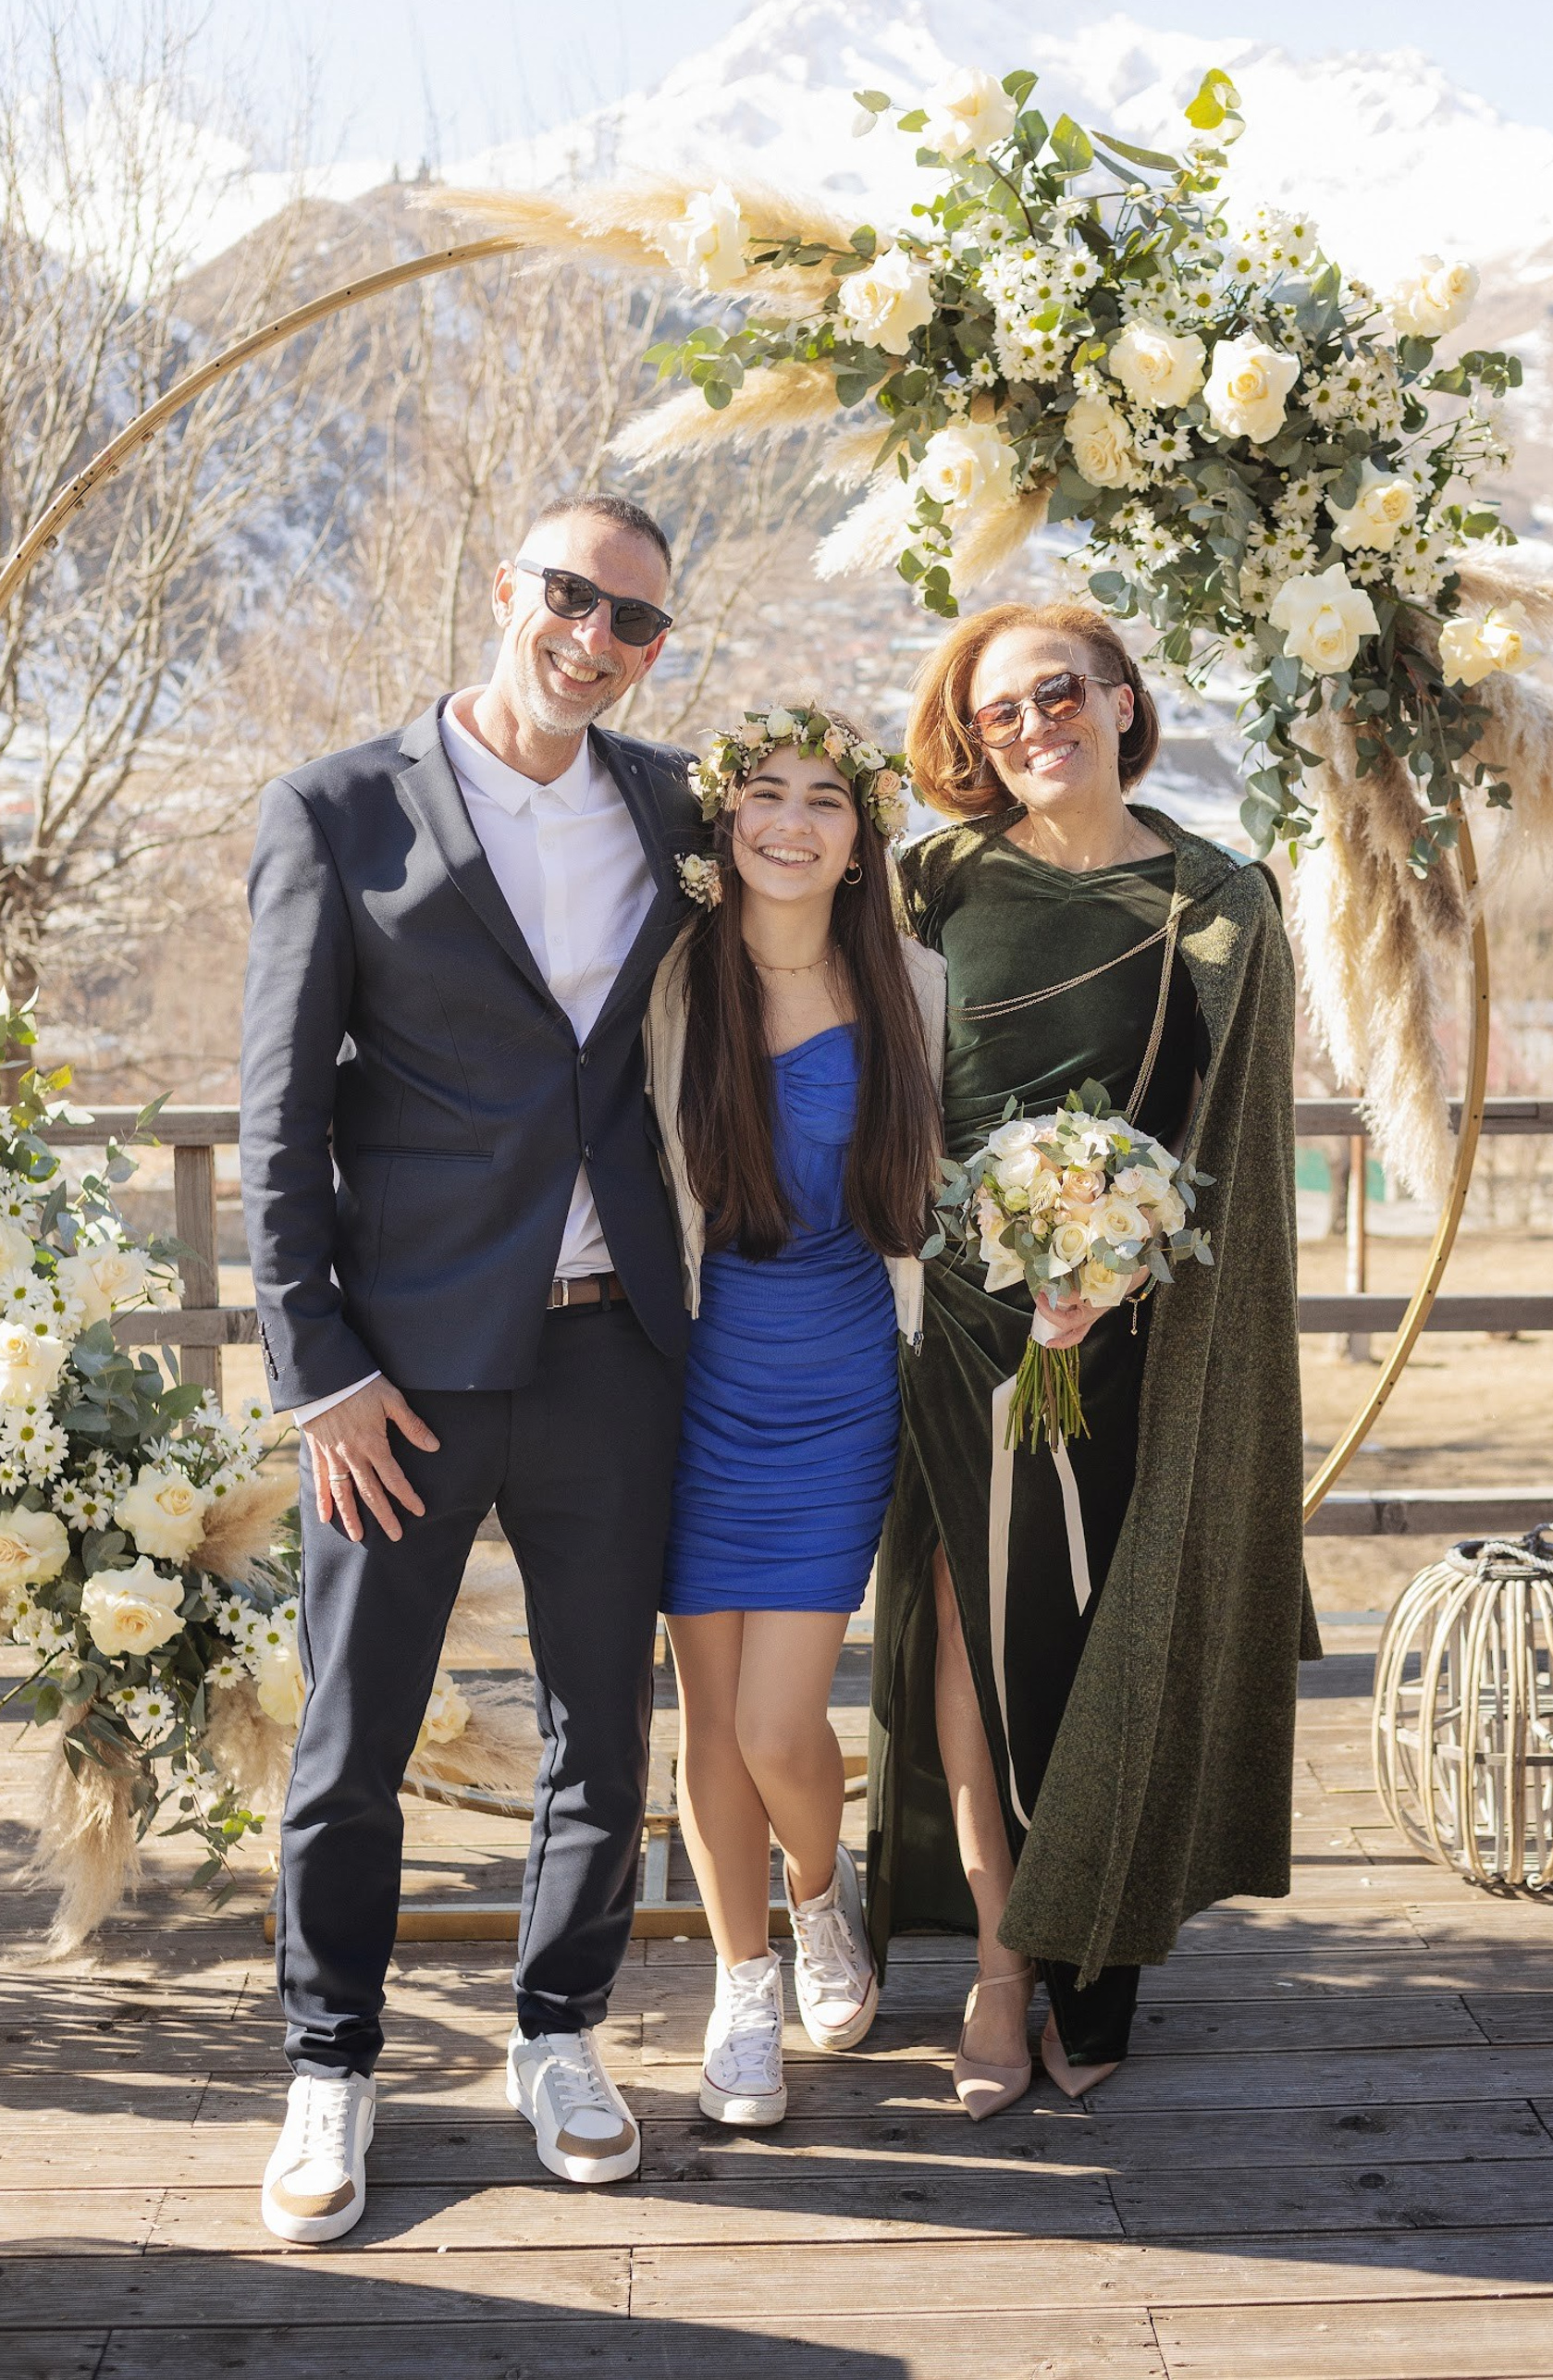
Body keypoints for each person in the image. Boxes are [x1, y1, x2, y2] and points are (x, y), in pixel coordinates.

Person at [240, 492, 703, 2241]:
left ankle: (560, 2033)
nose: (596, 639)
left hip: (615, 1352)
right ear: (509, 587)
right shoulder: (337, 810)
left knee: (606, 1727)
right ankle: (330, 2062)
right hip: (400, 1377)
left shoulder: (675, 808)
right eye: (573, 597)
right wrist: (319, 1370)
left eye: (637, 621)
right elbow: (281, 1118)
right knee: (352, 1737)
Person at [865, 598, 1319, 2119]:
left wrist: (1115, 1259)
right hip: (961, 1320)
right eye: (997, 713)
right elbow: (877, 1092)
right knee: (973, 1634)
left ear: (1124, 699)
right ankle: (1003, 1964)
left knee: (1097, 1640)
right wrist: (974, 1240)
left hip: (1138, 1335)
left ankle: (1100, 1946)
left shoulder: (1219, 901)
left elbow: (1232, 1145)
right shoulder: (930, 881)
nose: (1032, 727)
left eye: (1058, 693)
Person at [642, 707, 943, 2127]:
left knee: (777, 1721)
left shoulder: (913, 989)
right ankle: (741, 1981)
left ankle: (823, 1899)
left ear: (860, 841)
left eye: (827, 800)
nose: (793, 822)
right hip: (688, 1384)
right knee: (708, 1713)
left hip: (837, 1384)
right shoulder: (669, 984)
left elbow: (958, 1188)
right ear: (727, 821)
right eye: (766, 792)